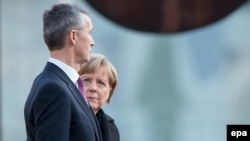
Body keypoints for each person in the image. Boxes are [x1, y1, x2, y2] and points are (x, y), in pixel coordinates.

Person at [24, 3, 103, 141]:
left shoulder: (59, 84)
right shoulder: (53, 89)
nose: (92, 42)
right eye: (89, 33)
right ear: (73, 36)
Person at [78, 54, 120, 141]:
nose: (93, 88)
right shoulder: (63, 121)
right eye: (86, 80)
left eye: (101, 83)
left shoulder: (112, 128)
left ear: (109, 92)